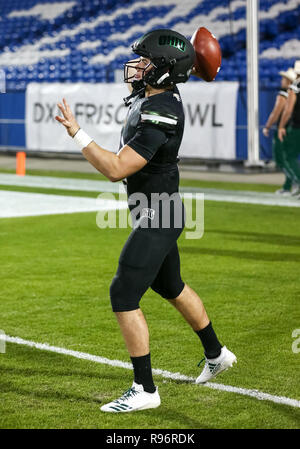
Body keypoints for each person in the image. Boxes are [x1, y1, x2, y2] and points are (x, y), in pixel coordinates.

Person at [55, 29, 236, 413]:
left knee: (123, 293)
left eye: (146, 61)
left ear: (164, 72)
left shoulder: (164, 109)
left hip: (160, 214)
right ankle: (217, 354)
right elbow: (193, 55)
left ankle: (145, 389)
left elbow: (118, 168)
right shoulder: (154, 95)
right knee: (171, 286)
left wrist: (77, 133)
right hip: (158, 209)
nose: (137, 66)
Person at [262, 68, 296, 195]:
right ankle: (288, 185)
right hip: (291, 128)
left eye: (283, 79)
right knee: (289, 158)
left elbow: (275, 114)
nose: (281, 81)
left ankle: (294, 182)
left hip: (282, 129)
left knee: (281, 159)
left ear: (288, 81)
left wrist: (267, 126)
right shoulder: (293, 94)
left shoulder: (283, 96)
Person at [278, 60, 300, 198]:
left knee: (289, 156)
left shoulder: (295, 87)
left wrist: (281, 126)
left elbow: (288, 109)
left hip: (297, 127)